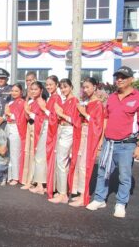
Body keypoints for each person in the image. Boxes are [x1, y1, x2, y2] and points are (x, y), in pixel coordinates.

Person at [87, 66, 139, 218]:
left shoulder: (137, 97)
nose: (120, 79)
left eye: (123, 76)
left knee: (124, 176)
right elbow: (106, 119)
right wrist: (102, 139)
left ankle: (121, 203)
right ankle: (99, 199)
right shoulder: (111, 97)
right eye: (118, 77)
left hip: (127, 144)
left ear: (131, 79)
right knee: (103, 173)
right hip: (109, 143)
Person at [68, 77, 105, 207]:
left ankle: (84, 195)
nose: (85, 89)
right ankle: (78, 192)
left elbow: (98, 125)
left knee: (84, 165)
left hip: (90, 135)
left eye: (88, 87)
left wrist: (84, 113)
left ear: (95, 87)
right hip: (82, 134)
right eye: (84, 87)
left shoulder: (98, 104)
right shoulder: (86, 102)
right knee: (78, 163)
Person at [48, 78, 81, 204]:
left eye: (65, 87)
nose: (63, 90)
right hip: (62, 129)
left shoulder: (74, 101)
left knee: (62, 161)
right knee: (60, 161)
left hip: (68, 130)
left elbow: (74, 120)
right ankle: (62, 191)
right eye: (61, 87)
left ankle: (63, 194)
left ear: (71, 87)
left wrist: (60, 114)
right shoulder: (66, 100)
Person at [30, 75, 62, 195]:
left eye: (51, 84)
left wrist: (44, 109)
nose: (48, 86)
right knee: (41, 156)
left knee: (41, 156)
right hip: (47, 126)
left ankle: (41, 184)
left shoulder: (56, 98)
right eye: (47, 84)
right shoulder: (51, 97)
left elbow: (56, 116)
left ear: (56, 85)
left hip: (50, 127)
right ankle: (41, 183)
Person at [19, 82, 46, 190]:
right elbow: (26, 115)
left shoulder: (42, 102)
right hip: (30, 127)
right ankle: (28, 180)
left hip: (37, 128)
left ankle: (36, 181)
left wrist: (31, 114)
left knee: (35, 155)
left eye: (36, 89)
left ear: (41, 90)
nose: (33, 91)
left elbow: (43, 119)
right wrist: (26, 106)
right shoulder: (31, 101)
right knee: (28, 154)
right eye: (31, 89)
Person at [4, 83, 26, 185]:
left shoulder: (22, 102)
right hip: (9, 126)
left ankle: (16, 177)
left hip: (16, 128)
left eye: (16, 91)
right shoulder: (11, 102)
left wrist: (8, 113)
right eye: (12, 91)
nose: (14, 93)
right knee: (9, 152)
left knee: (15, 153)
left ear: (21, 92)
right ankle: (10, 174)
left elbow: (20, 117)